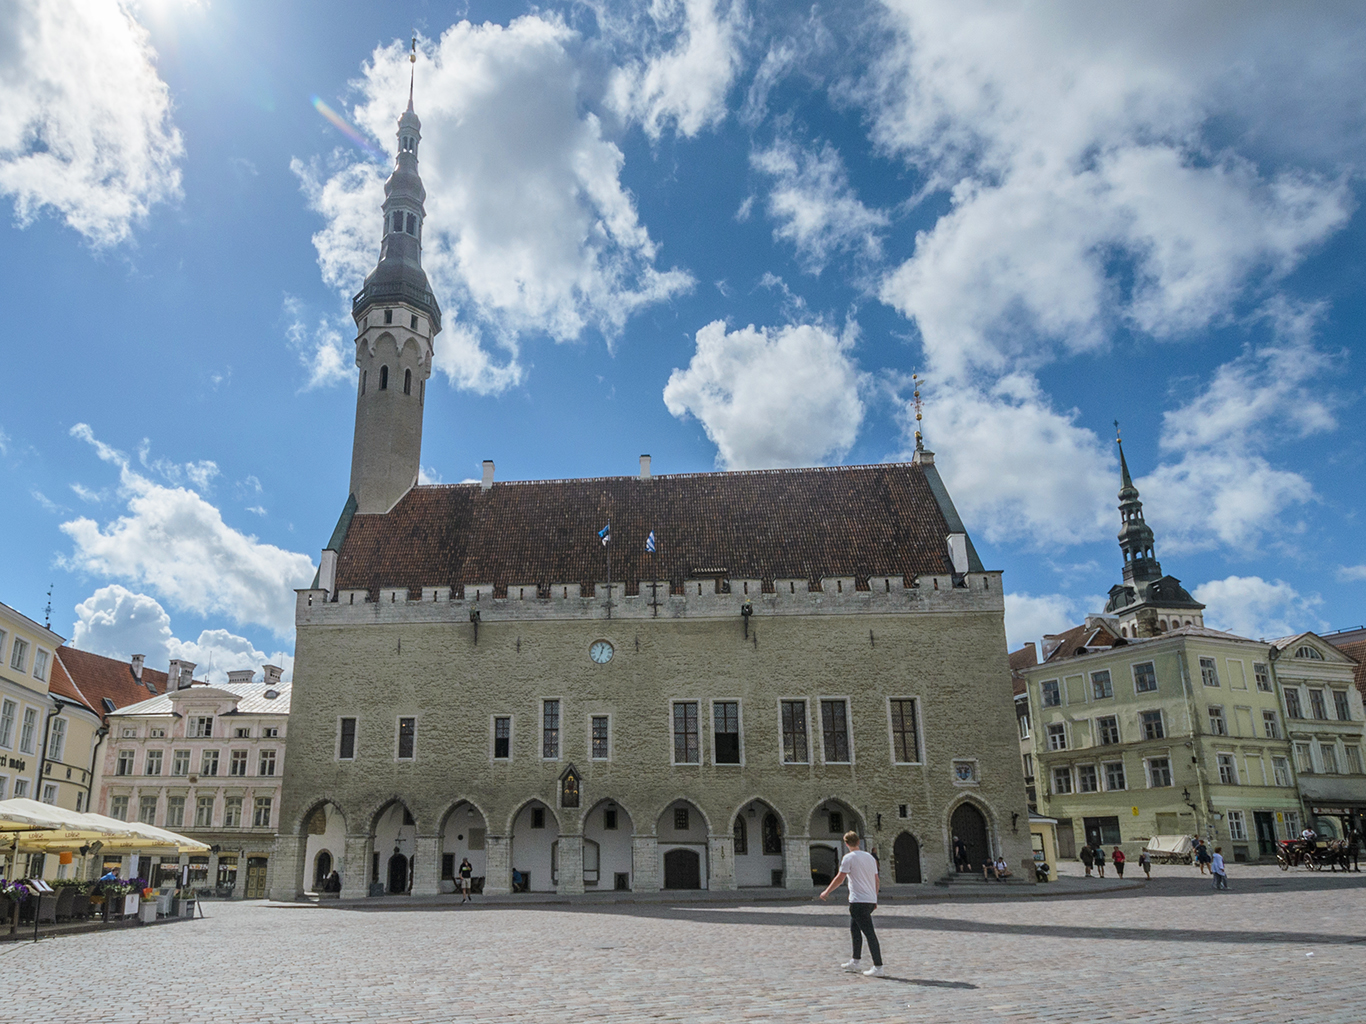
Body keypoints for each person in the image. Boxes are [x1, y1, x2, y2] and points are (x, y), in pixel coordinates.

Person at [819, 830, 884, 978]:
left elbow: (840, 878)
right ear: (858, 842)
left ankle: (878, 966)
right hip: (868, 900)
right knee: (855, 930)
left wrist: (826, 892)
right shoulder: (869, 857)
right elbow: (876, 879)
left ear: (846, 844)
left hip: (858, 901)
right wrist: (875, 898)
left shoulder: (849, 858)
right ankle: (855, 961)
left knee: (869, 934)